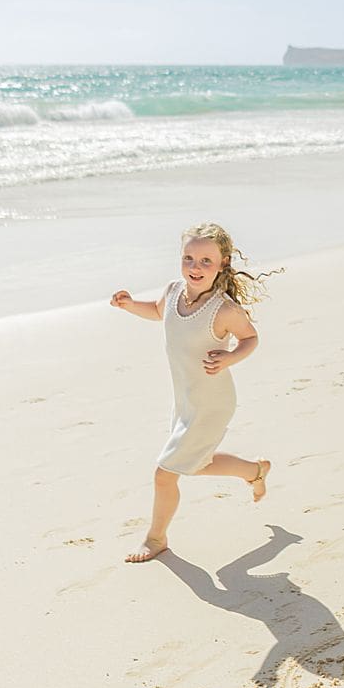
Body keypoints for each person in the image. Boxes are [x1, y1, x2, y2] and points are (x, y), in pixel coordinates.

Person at [112, 222, 272, 563]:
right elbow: (157, 312)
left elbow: (251, 338)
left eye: (205, 261)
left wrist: (230, 357)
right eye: (188, 258)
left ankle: (156, 538)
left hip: (211, 404)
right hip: (186, 399)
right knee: (195, 465)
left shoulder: (223, 309)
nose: (195, 268)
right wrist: (129, 305)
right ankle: (254, 471)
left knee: (165, 473)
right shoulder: (172, 292)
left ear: (223, 263)